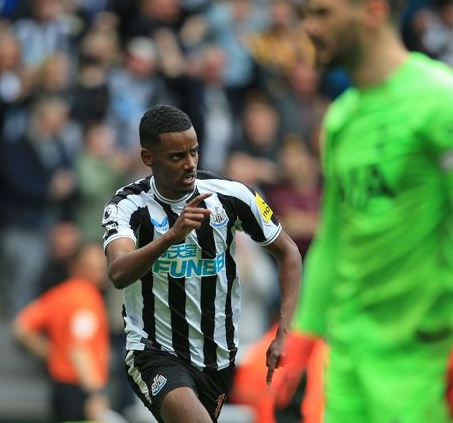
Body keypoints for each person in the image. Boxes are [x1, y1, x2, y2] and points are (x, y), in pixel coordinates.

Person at [288, 0, 453, 422]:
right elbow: (334, 236)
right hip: (347, 358)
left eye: (323, 13)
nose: (309, 27)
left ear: (373, 11)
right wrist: (303, 332)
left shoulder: (442, 101)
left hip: (426, 358)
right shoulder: (341, 119)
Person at [101, 104, 302, 423]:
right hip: (155, 353)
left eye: (193, 152)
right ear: (148, 158)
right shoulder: (128, 205)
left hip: (218, 359)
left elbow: (288, 252)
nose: (190, 163)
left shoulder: (233, 196)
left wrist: (284, 331)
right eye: (176, 157)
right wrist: (171, 236)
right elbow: (118, 271)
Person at [13, 243, 112, 423]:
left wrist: (54, 354)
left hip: (60, 387)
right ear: (76, 267)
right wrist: (95, 393)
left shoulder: (59, 295)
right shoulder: (87, 299)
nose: (100, 271)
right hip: (80, 390)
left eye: (101, 265)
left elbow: (21, 327)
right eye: (93, 266)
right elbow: (79, 348)